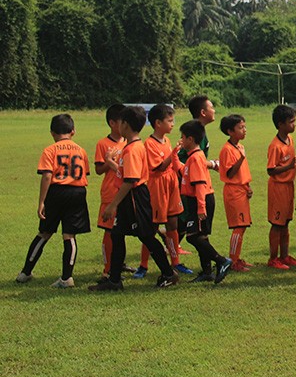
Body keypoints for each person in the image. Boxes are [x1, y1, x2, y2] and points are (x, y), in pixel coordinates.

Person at [90, 106, 178, 291]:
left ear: (125, 125)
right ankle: (114, 280)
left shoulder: (132, 149)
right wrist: (112, 163)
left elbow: (130, 180)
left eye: (121, 122)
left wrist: (112, 205)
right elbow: (126, 174)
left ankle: (169, 273)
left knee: (146, 236)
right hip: (130, 196)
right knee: (117, 234)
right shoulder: (132, 147)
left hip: (134, 197)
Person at [16, 114, 91, 288]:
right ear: (73, 131)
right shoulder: (80, 150)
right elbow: (84, 172)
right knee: (69, 235)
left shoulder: (50, 150)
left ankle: (25, 273)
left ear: (52, 132)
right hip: (78, 192)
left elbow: (47, 175)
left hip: (57, 192)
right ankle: (67, 278)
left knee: (45, 232)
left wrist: (41, 201)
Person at [177, 121, 231, 284]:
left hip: (201, 199)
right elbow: (181, 169)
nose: (181, 140)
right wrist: (174, 154)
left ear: (191, 139)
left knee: (193, 237)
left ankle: (221, 261)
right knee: (201, 236)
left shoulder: (196, 158)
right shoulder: (192, 157)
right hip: (196, 200)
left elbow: (200, 184)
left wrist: (201, 207)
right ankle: (207, 271)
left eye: (183, 137)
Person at [139, 104, 187, 278]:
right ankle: (143, 265)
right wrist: (174, 152)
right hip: (157, 186)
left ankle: (176, 262)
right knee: (151, 227)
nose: (173, 124)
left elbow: (171, 163)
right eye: (170, 121)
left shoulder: (166, 140)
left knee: (173, 224)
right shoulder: (149, 143)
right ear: (158, 123)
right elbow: (158, 167)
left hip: (171, 183)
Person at [93, 104, 127, 278]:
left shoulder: (128, 141)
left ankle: (119, 263)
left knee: (120, 230)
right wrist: (109, 161)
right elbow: (99, 170)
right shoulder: (103, 143)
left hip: (126, 192)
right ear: (113, 123)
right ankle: (108, 268)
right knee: (109, 230)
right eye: (123, 121)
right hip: (110, 192)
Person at [266, 104, 296, 270]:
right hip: (278, 187)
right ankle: (273, 258)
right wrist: (287, 167)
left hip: (289, 186)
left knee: (286, 222)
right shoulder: (275, 146)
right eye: (291, 121)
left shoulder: (290, 139)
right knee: (277, 223)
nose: (294, 124)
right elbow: (270, 170)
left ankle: (285, 256)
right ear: (281, 124)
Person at [218, 114, 254, 270]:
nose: (244, 130)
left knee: (243, 225)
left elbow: (242, 173)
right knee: (238, 227)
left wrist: (248, 187)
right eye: (240, 127)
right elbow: (230, 174)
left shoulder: (240, 146)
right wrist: (240, 159)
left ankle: (236, 258)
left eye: (244, 126)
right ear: (230, 131)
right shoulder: (227, 150)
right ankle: (232, 261)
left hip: (241, 190)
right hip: (233, 192)